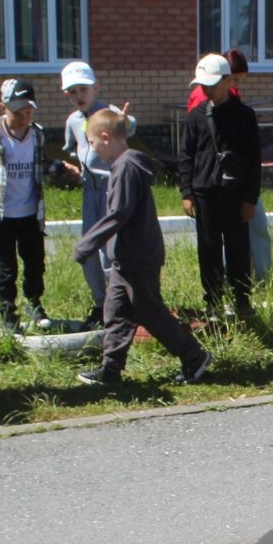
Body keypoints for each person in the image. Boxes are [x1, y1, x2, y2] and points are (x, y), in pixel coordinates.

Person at [72, 107, 213, 388]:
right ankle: (110, 370)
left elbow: (118, 213)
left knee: (150, 313)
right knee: (115, 313)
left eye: (92, 142)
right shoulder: (124, 165)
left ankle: (194, 357)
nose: (92, 148)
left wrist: (87, 244)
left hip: (139, 256)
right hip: (126, 257)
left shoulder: (126, 167)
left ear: (105, 136)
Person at [179, 52, 261, 320]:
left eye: (212, 84)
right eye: (202, 85)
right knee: (208, 248)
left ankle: (242, 299)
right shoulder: (195, 116)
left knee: (238, 247)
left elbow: (254, 158)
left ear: (228, 81)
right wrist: (187, 192)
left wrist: (250, 198)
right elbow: (186, 155)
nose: (206, 90)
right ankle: (213, 301)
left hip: (235, 195)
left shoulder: (244, 115)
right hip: (204, 194)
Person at [0, 77, 51, 331]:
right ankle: (7, 310)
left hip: (30, 212)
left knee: (35, 261)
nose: (24, 117)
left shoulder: (37, 135)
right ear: (2, 107)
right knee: (7, 266)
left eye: (28, 111)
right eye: (18, 112)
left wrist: (60, 168)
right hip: (3, 215)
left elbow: (41, 166)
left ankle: (34, 302)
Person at [59, 60, 135, 326]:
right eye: (72, 92)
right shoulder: (73, 121)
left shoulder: (107, 112)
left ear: (95, 87)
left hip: (110, 189)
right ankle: (100, 301)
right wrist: (75, 170)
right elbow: (76, 151)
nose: (79, 96)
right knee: (89, 246)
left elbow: (126, 124)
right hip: (89, 190)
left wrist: (124, 122)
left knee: (110, 249)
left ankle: (119, 305)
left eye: (83, 89)